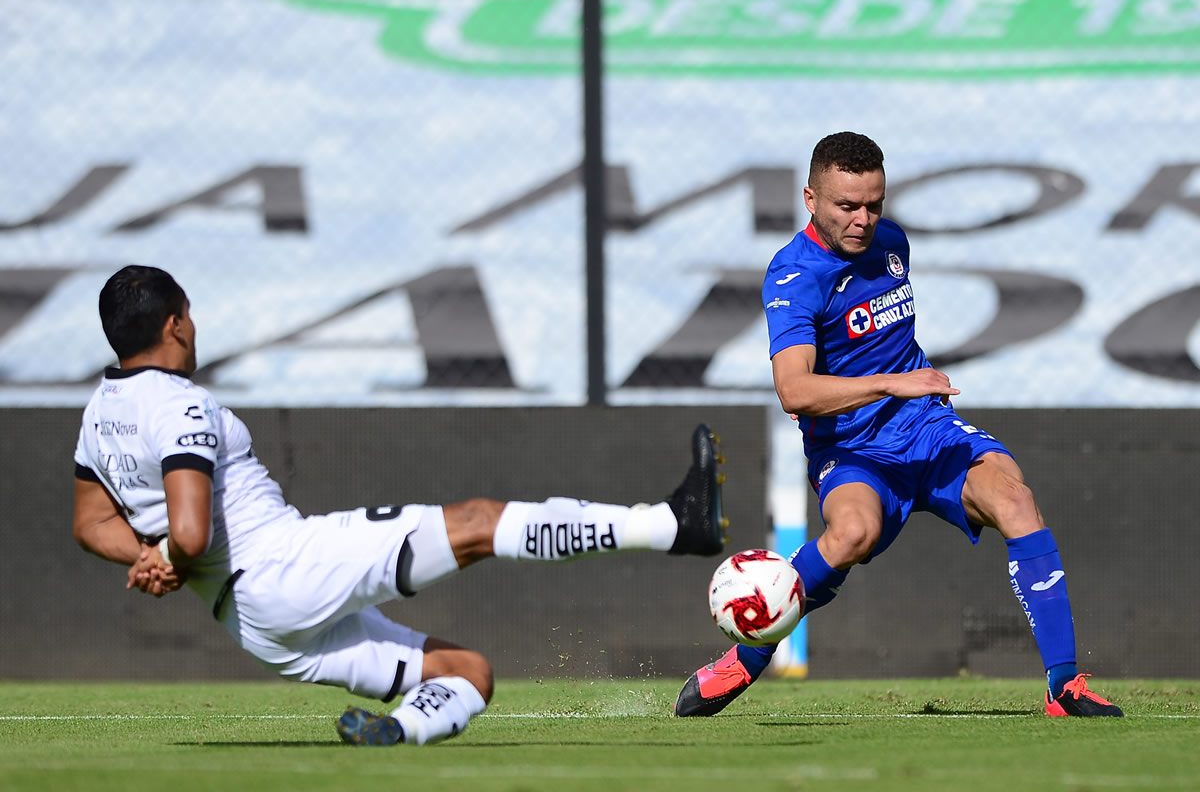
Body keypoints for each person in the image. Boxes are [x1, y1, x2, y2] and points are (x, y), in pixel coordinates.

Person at [73, 265, 730, 747]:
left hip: (253, 624)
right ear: (175, 323)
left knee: (467, 673)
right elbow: (189, 533)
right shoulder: (180, 404)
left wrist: (148, 556)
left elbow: (91, 523)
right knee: (478, 523)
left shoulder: (101, 411)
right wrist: (170, 552)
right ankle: (673, 525)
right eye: (189, 316)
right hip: (285, 567)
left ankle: (397, 731)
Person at [674, 132, 1122, 719]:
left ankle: (1063, 686)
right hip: (853, 447)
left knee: (1015, 499)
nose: (863, 220)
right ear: (810, 199)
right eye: (847, 206)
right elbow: (794, 390)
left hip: (926, 428)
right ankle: (749, 656)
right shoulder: (793, 276)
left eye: (874, 204)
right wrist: (889, 382)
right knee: (851, 535)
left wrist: (904, 390)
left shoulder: (891, 242)